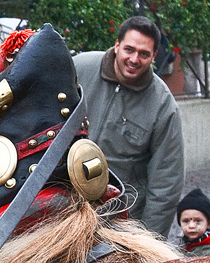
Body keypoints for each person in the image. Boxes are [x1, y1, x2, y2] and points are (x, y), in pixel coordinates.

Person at [73, 16, 184, 239]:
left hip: (118, 224)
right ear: (117, 45)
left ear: (154, 56)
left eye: (144, 54)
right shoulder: (78, 68)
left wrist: (147, 245)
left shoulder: (163, 106)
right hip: (64, 208)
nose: (134, 59)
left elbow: (166, 185)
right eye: (129, 49)